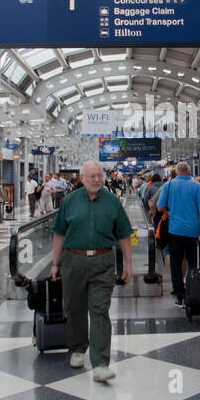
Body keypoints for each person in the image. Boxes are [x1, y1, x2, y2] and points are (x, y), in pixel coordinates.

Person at [49, 161, 134, 382]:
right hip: (73, 260)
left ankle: (101, 363)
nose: (97, 180)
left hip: (103, 261)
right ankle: (78, 348)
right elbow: (59, 233)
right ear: (82, 179)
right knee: (74, 307)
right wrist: (55, 263)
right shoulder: (70, 201)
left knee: (99, 310)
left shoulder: (112, 202)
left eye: (99, 176)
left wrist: (128, 264)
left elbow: (124, 233)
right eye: (92, 176)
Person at [157, 161, 200, 309]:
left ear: (177, 172)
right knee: (193, 264)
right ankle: (194, 295)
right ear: (189, 171)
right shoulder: (197, 186)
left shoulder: (169, 185)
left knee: (176, 265)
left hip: (175, 232)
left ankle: (181, 297)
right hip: (194, 232)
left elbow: (160, 207)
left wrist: (171, 207)